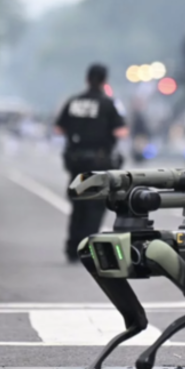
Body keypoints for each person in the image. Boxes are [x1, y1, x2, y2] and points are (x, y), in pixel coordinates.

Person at [54, 63, 128, 263]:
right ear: (105, 81)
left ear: (87, 79)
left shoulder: (74, 101)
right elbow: (121, 131)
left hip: (76, 160)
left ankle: (71, 248)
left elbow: (59, 128)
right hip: (100, 161)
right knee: (94, 207)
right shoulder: (108, 104)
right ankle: (87, 250)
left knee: (77, 204)